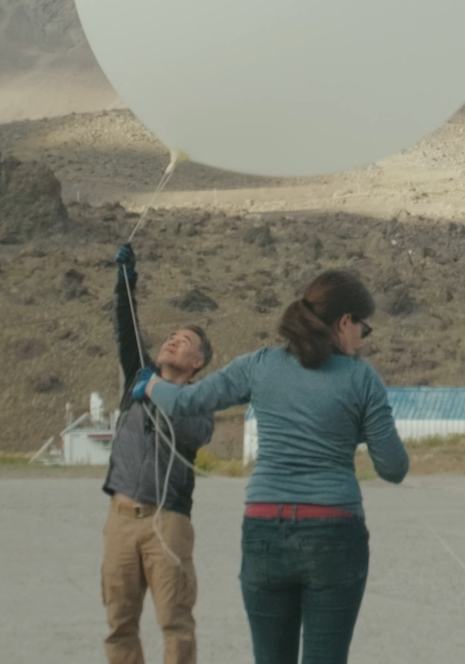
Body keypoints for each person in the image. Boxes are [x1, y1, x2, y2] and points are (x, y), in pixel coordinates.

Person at [136, 269, 407, 664]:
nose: (362, 339)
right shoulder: (362, 378)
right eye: (363, 329)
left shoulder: (258, 364)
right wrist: (356, 426)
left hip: (264, 531)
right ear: (344, 322)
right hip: (333, 533)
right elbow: (393, 467)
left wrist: (149, 384)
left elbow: (183, 402)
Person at [102, 243, 216, 664]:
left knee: (175, 621)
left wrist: (158, 391)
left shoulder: (200, 400)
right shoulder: (138, 374)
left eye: (183, 341)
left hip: (167, 521)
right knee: (119, 622)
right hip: (120, 519)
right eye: (171, 337)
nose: (171, 341)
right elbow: (126, 327)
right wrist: (125, 281)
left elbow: (196, 433)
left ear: (197, 362)